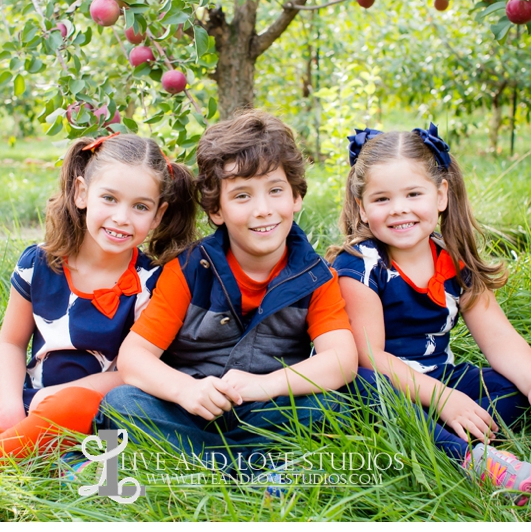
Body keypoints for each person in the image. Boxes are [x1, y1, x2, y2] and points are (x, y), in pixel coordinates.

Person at [0, 132, 197, 464]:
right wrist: (10, 408)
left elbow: (134, 371)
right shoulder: (38, 263)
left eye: (140, 206)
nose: (122, 217)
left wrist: (61, 394)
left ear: (157, 215)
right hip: (27, 398)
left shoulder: (152, 281)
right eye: (109, 198)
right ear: (82, 193)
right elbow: (11, 343)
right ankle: (45, 456)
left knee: (72, 404)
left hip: (93, 412)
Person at [100, 110, 358, 470]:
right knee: (121, 404)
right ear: (216, 210)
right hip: (191, 410)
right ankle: (255, 467)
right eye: (242, 196)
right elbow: (133, 358)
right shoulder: (189, 270)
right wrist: (185, 391)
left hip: (269, 410)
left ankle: (208, 463)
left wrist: (264, 385)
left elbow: (342, 361)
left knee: (335, 409)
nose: (263, 210)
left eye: (276, 190)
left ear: (296, 197)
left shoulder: (316, 277)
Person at [327, 124, 531, 505]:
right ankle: (469, 458)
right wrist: (442, 399)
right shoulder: (360, 265)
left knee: (513, 389)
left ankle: (441, 430)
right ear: (361, 206)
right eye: (381, 199)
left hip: (440, 377)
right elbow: (369, 356)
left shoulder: (454, 262)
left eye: (413, 194)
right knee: (362, 386)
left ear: (441, 195)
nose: (399, 209)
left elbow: (501, 338)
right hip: (383, 384)